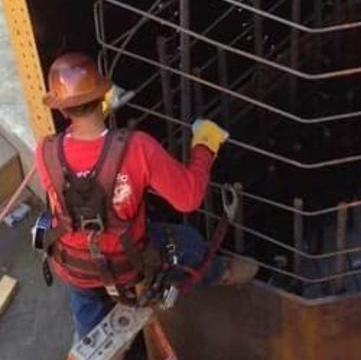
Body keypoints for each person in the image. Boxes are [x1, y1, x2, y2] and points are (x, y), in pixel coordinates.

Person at [34, 52, 256, 338]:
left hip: (72, 263)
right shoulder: (137, 148)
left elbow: (76, 171)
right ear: (103, 96)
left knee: (84, 296)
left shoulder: (45, 151)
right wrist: (205, 146)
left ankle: (92, 347)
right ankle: (219, 272)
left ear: (62, 110)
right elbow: (189, 198)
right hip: (127, 262)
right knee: (189, 242)